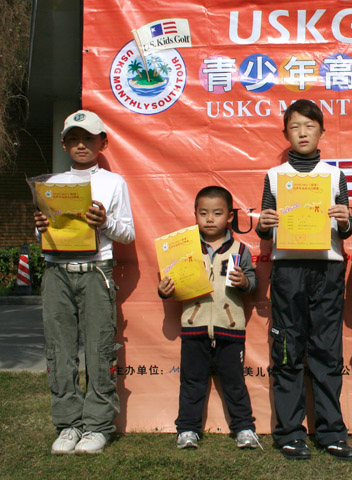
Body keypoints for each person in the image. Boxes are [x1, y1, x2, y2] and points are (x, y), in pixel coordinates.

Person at [256, 99, 352, 461]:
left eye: (310, 126)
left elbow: (346, 230)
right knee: (287, 350)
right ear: (286, 133)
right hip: (288, 271)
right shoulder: (274, 176)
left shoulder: (334, 175)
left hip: (327, 270)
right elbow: (264, 227)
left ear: (322, 132)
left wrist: (344, 219)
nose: (303, 133)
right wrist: (263, 225)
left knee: (327, 351)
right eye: (295, 126)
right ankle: (289, 433)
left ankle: (331, 433)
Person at [33, 110, 136, 454]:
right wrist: (40, 228)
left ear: (102, 143)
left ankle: (97, 426)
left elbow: (128, 233)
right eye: (74, 139)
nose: (81, 145)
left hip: (95, 272)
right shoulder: (52, 184)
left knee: (99, 348)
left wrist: (104, 222)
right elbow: (43, 235)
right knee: (59, 349)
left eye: (88, 138)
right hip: (56, 272)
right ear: (64, 144)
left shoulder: (113, 183)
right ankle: (68, 424)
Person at [158, 186, 260, 451]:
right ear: (195, 214)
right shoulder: (185, 249)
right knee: (191, 382)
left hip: (230, 327)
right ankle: (187, 430)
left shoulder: (239, 249)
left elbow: (253, 283)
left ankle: (244, 429)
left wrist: (244, 281)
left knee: (235, 383)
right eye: (203, 213)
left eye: (217, 213)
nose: (210, 219)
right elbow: (170, 283)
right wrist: (164, 290)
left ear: (230, 216)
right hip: (194, 327)